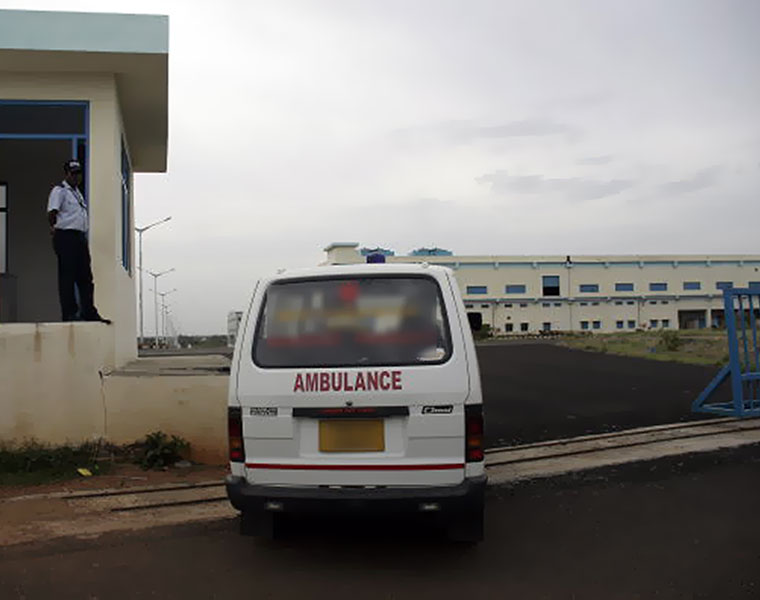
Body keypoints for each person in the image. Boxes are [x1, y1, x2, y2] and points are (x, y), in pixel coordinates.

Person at [47, 160, 111, 323]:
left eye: (79, 174)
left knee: (85, 277)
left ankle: (88, 311)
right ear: (67, 174)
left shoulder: (77, 193)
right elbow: (52, 212)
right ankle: (69, 313)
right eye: (73, 174)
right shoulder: (59, 191)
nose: (77, 177)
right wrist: (53, 228)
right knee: (67, 276)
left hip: (79, 237)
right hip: (65, 236)